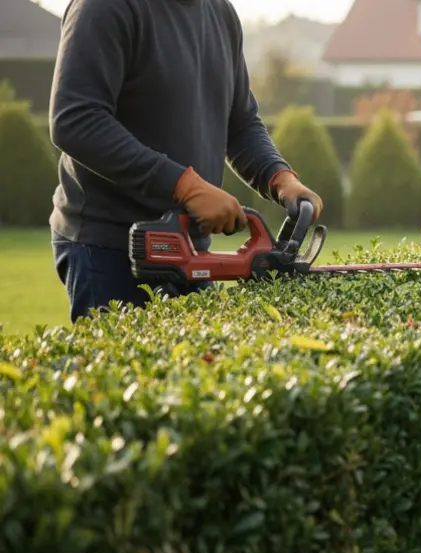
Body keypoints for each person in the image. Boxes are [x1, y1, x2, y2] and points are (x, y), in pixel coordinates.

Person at [47, 0, 324, 324]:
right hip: (109, 247)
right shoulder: (105, 7)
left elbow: (241, 124)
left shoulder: (221, 13)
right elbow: (76, 120)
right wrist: (185, 187)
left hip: (190, 249)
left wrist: (280, 178)